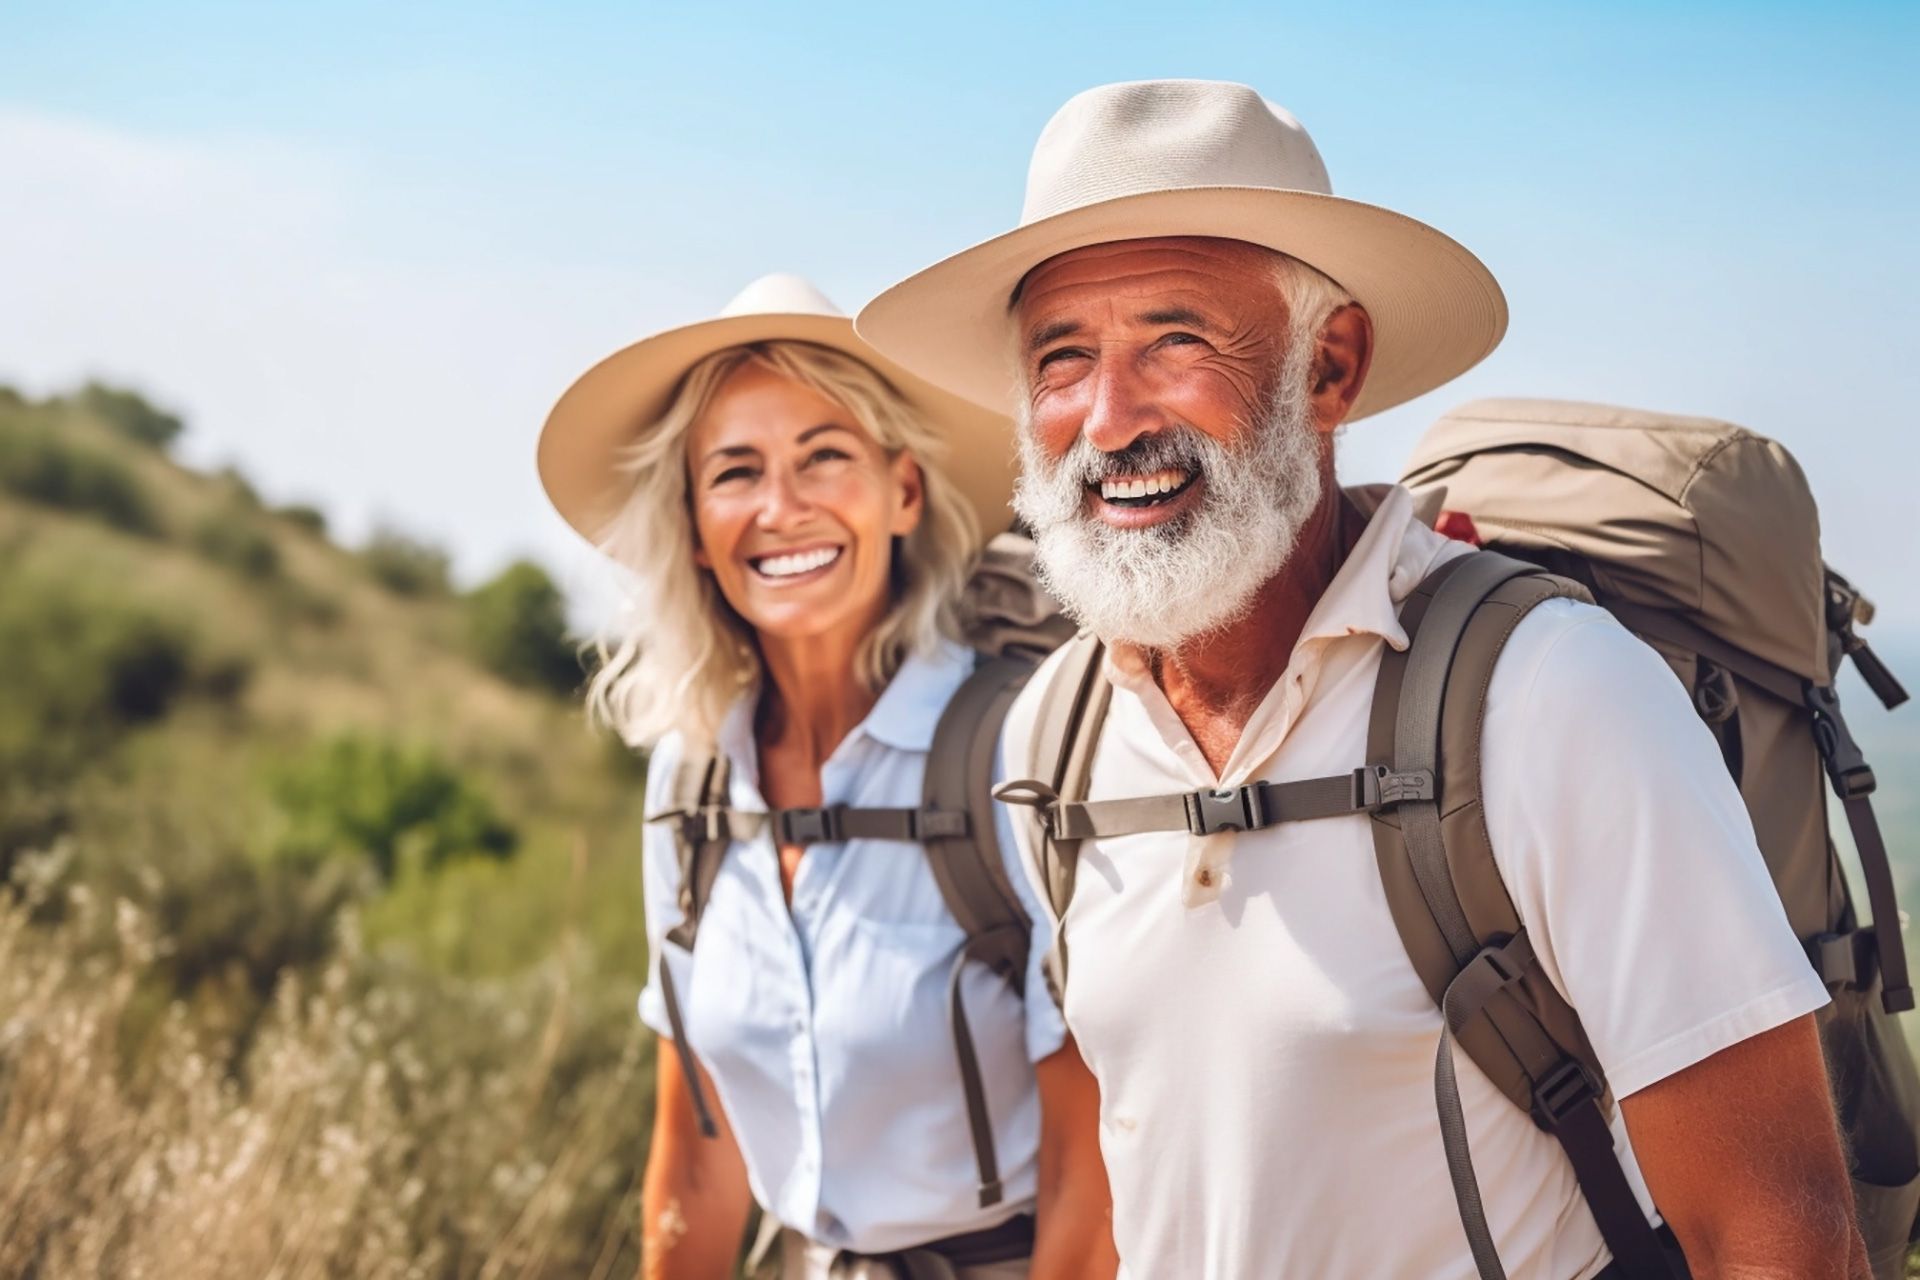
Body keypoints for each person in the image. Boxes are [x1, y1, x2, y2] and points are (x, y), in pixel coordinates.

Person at [855, 80, 1867, 1278]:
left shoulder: (1553, 697)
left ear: (1329, 369)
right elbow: (1118, 1198)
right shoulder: (1055, 736)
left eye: (1174, 342)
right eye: (1061, 357)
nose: (1108, 418)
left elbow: (1780, 1240)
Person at [537, 274, 1116, 1280]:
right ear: (692, 519)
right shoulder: (694, 777)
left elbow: (1094, 1187)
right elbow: (696, 1166)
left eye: (824, 456)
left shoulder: (1020, 746)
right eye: (734, 471)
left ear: (902, 491)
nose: (780, 507)